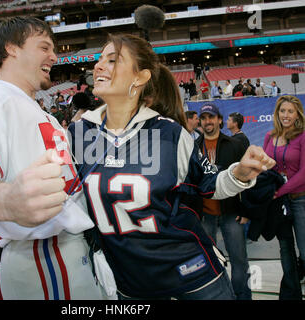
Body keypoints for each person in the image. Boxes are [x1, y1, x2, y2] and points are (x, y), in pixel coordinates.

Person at [68, 34, 275, 300]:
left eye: (112, 60)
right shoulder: (78, 134)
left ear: (140, 77)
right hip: (130, 285)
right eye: (99, 60)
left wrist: (239, 173)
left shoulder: (170, 134)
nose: (98, 66)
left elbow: (209, 185)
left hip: (194, 277)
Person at [0, 17, 106, 300]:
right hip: (44, 255)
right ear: (12, 48)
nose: (54, 56)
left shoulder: (31, 106)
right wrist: (6, 199)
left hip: (69, 250)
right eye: (44, 47)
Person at [195, 104, 252, 300]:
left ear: (220, 120)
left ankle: (243, 297)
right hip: (205, 216)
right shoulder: (194, 148)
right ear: (200, 122)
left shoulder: (235, 145)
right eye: (203, 118)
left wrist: (246, 211)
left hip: (231, 212)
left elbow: (248, 178)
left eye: (211, 117)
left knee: (239, 261)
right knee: (209, 262)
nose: (207, 121)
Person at [263, 95, 305, 299]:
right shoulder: (269, 136)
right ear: (277, 113)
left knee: (304, 252)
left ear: (297, 114)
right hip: (278, 203)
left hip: (300, 199)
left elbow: (304, 173)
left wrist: (280, 190)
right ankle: (291, 294)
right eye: (282, 111)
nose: (285, 115)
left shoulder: (303, 136)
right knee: (285, 249)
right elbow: (264, 167)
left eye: (290, 111)